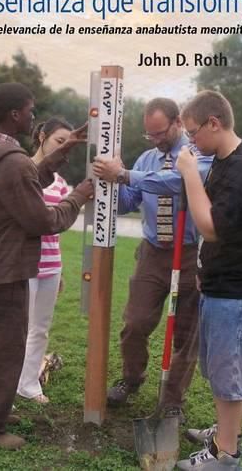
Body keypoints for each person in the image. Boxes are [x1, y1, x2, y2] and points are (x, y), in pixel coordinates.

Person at [0, 83, 93, 450]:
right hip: (7, 267)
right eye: (30, 110)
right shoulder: (13, 162)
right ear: (15, 115)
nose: (34, 115)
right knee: (2, 349)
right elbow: (43, 221)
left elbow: (28, 177)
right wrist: (79, 195)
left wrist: (63, 148)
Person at [93, 98, 212, 417]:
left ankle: (172, 401)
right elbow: (130, 199)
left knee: (186, 334)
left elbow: (174, 184)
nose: (156, 140)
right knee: (135, 322)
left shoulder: (196, 154)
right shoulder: (146, 159)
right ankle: (131, 379)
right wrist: (108, 188)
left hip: (189, 254)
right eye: (150, 135)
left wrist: (125, 174)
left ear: (177, 123)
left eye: (160, 132)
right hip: (152, 254)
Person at [175, 90, 242, 470]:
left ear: (214, 123)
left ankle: (225, 456)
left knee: (229, 375)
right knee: (223, 370)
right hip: (224, 285)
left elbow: (211, 226)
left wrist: (187, 172)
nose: (191, 143)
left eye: (193, 133)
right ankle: (226, 433)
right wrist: (204, 271)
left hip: (240, 293)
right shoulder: (226, 160)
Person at [17, 117, 72, 404]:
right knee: (17, 329)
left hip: (51, 267)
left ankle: (28, 385)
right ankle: (7, 384)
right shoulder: (22, 171)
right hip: (23, 266)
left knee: (40, 328)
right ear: (42, 136)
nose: (62, 149)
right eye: (58, 141)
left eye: (67, 145)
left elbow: (57, 230)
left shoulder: (61, 184)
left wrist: (59, 272)